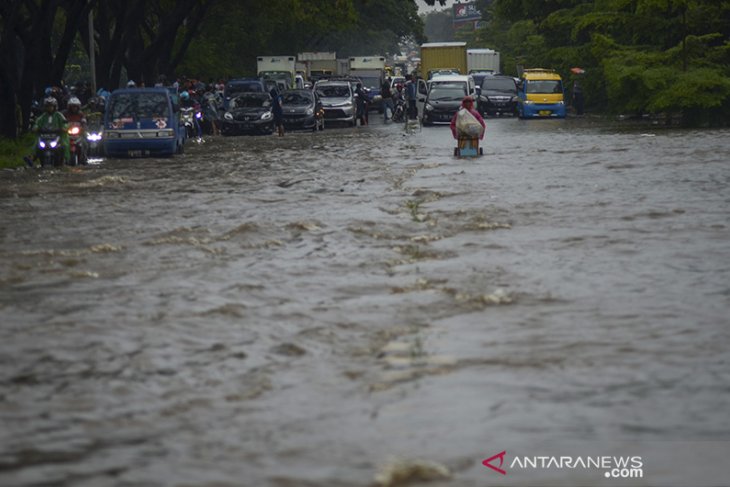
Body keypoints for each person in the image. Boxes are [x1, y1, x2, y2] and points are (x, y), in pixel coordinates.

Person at [28, 97, 69, 166]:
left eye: (51, 106)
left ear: (55, 107)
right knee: (36, 144)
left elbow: (64, 123)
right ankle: (32, 158)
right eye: (48, 106)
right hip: (44, 135)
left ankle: (66, 158)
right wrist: (35, 128)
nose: (49, 108)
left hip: (57, 135)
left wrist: (64, 128)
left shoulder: (59, 115)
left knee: (64, 145)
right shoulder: (43, 116)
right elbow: (37, 123)